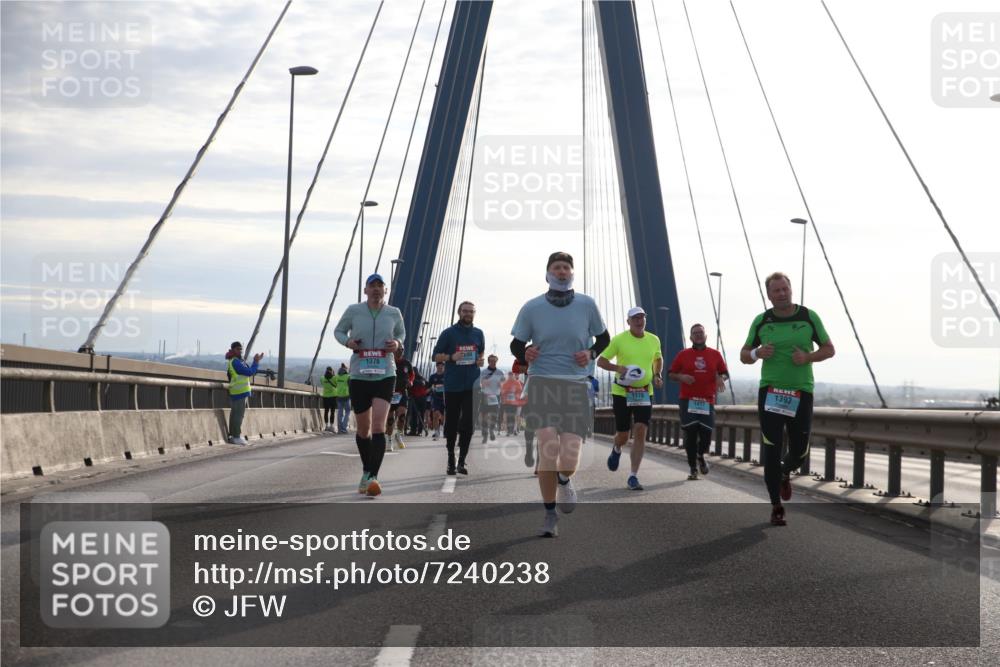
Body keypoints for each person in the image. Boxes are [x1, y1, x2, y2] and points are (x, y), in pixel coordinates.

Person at [511, 252, 609, 538]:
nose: (562, 271)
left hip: (576, 385)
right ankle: (549, 514)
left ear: (572, 273)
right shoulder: (532, 307)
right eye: (557, 267)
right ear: (548, 273)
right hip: (542, 382)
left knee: (569, 455)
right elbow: (517, 344)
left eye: (566, 267)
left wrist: (591, 353)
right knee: (547, 448)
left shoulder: (587, 305)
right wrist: (525, 352)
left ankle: (565, 480)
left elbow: (603, 338)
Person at [741, 271, 835, 526]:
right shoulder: (762, 320)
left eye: (785, 289)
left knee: (800, 451)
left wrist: (807, 358)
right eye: (776, 291)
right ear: (769, 295)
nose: (781, 294)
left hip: (800, 392)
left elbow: (829, 349)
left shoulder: (808, 316)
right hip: (771, 392)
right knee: (771, 449)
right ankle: (775, 505)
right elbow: (743, 354)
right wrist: (757, 353)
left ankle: (785, 472)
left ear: (790, 290)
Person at [333, 273, 405, 497]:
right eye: (371, 286)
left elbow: (401, 333)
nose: (375, 289)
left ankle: (372, 477)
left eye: (379, 286)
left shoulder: (394, 313)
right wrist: (348, 341)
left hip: (385, 373)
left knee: (378, 427)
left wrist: (397, 343)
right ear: (365, 290)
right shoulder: (354, 310)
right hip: (359, 375)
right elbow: (338, 331)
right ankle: (367, 471)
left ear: (385, 291)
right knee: (363, 430)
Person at [596, 306, 663, 490]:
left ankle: (633, 476)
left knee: (641, 430)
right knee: (624, 435)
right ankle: (617, 448)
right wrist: (618, 369)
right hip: (622, 392)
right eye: (635, 318)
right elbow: (601, 361)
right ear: (628, 322)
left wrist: (657, 375)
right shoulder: (619, 340)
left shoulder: (654, 339)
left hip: (644, 391)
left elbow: (657, 359)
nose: (639, 321)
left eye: (642, 317)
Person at [668, 323, 729, 480]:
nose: (698, 335)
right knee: (690, 434)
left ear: (706, 335)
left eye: (701, 332)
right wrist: (682, 377)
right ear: (690, 337)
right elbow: (671, 374)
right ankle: (693, 468)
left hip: (707, 401)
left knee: (706, 434)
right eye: (695, 333)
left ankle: (700, 455)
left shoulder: (715, 354)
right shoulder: (683, 355)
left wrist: (719, 377)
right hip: (688, 400)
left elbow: (724, 373)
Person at [432, 301, 485, 475]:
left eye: (471, 311)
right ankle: (450, 459)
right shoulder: (448, 334)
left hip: (473, 385)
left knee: (468, 424)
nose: (468, 314)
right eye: (465, 311)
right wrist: (451, 357)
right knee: (452, 423)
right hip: (453, 385)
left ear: (475, 313)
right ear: (459, 313)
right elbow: (435, 356)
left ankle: (462, 460)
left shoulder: (479, 334)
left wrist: (480, 360)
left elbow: (481, 352)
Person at [225, 341, 264, 445]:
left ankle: (233, 436)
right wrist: (256, 362)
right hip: (239, 392)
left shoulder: (239, 361)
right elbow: (250, 372)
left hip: (239, 392)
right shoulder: (235, 362)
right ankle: (236, 436)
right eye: (238, 349)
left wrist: (255, 363)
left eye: (241, 349)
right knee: (238, 415)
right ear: (233, 350)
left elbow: (250, 370)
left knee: (235, 415)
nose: (240, 351)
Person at [386, 352, 413, 451]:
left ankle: (399, 434)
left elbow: (411, 374)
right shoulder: (388, 361)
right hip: (390, 393)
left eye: (401, 350)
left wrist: (411, 381)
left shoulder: (406, 363)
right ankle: (389, 440)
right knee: (390, 419)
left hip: (402, 392)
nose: (399, 352)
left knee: (402, 415)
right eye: (397, 350)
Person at [479, 356, 504, 442]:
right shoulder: (484, 372)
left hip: (496, 396)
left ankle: (491, 430)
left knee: (494, 415)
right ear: (488, 362)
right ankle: (485, 434)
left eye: (495, 361)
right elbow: (481, 383)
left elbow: (503, 384)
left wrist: (500, 385)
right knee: (484, 416)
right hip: (485, 395)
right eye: (492, 361)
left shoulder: (500, 372)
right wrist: (485, 382)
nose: (494, 363)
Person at [500, 371, 524, 436]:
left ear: (513, 375)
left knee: (513, 416)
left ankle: (513, 430)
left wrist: (514, 391)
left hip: (514, 403)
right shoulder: (505, 383)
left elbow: (520, 390)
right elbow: (502, 391)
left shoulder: (517, 383)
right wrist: (507, 391)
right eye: (509, 375)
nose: (510, 376)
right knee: (508, 416)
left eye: (511, 375)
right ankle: (508, 431)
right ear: (508, 375)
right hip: (507, 402)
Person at [427, 361, 447, 440]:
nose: (440, 367)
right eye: (439, 365)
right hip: (436, 398)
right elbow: (428, 388)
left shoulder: (446, 375)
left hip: (445, 398)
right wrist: (431, 388)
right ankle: (436, 432)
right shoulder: (432, 377)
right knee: (435, 414)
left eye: (442, 365)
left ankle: (444, 428)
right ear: (436, 366)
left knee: (444, 416)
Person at [408, 371, 430, 437]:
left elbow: (424, 385)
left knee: (418, 415)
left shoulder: (417, 380)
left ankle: (417, 430)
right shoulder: (422, 380)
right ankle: (415, 430)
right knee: (417, 415)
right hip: (418, 398)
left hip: (419, 398)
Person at [334, 363, 351, 433]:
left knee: (340, 413)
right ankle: (344, 427)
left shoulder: (336, 377)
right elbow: (351, 386)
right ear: (346, 369)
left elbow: (335, 385)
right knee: (348, 412)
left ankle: (339, 429)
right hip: (346, 396)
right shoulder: (348, 376)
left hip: (338, 396)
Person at [321, 366, 337, 432]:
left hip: (325, 396)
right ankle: (331, 426)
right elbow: (336, 385)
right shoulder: (334, 378)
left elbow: (322, 384)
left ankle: (326, 426)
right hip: (333, 396)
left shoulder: (322, 378)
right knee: (332, 412)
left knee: (326, 411)